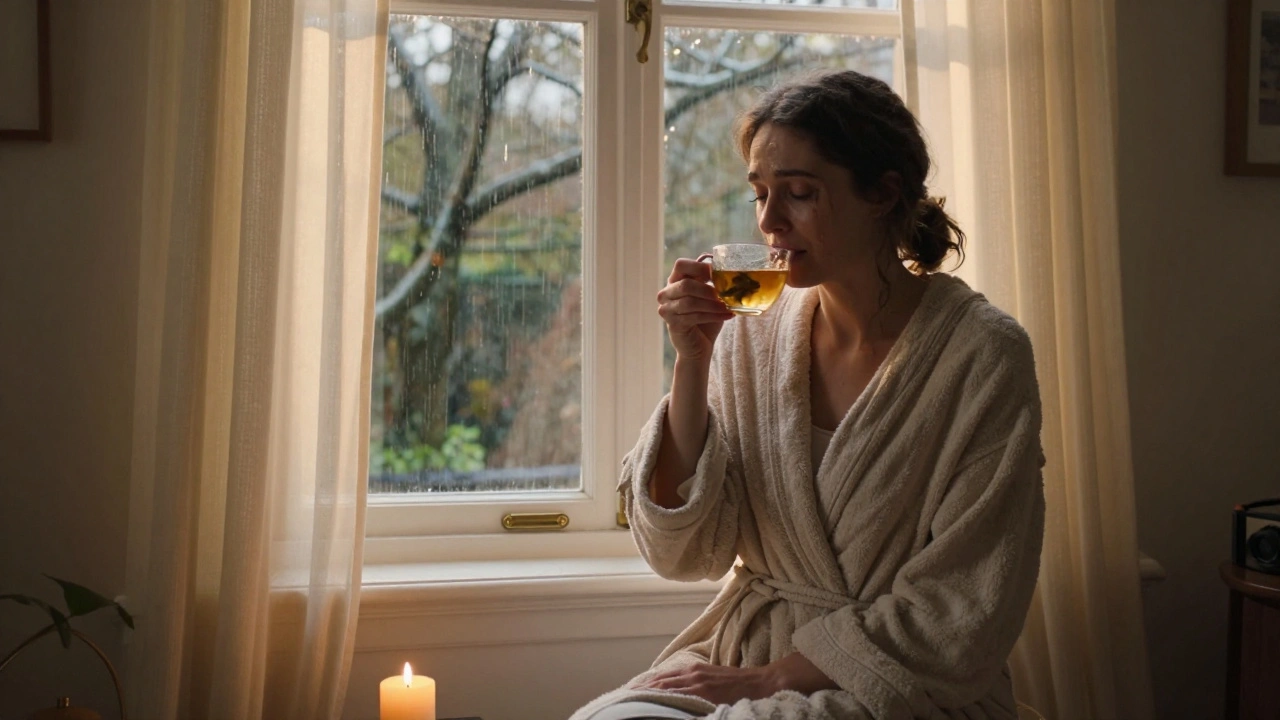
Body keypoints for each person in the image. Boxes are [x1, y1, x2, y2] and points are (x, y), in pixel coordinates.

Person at [570, 69, 1046, 720]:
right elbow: (690, 548)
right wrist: (692, 359)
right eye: (759, 194)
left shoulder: (983, 355)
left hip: (895, 680)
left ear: (883, 193)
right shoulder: (753, 331)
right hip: (746, 650)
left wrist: (774, 681)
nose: (769, 220)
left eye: (798, 193)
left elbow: (964, 599)